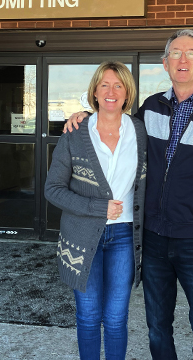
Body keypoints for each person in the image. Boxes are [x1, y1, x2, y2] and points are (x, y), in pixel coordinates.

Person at [65, 29, 193, 359]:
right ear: (164, 63)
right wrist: (86, 117)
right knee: (157, 327)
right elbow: (117, 128)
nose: (183, 59)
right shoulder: (151, 108)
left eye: (191, 52)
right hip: (153, 239)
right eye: (175, 53)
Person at [45, 61, 148, 360]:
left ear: (127, 93)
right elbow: (53, 189)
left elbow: (173, 164)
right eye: (104, 84)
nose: (111, 91)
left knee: (116, 320)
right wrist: (96, 207)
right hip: (81, 236)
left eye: (118, 85)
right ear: (94, 91)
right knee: (88, 318)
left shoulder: (141, 132)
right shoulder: (75, 133)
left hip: (125, 236)